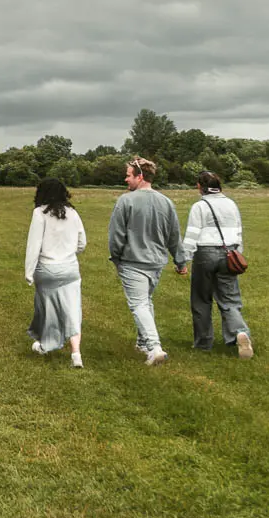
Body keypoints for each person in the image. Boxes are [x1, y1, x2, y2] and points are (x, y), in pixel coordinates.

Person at [108, 156, 187, 366]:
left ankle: (154, 347)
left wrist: (115, 257)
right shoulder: (166, 202)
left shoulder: (125, 201)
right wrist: (181, 261)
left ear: (140, 176)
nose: (126, 180)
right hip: (156, 263)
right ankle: (143, 343)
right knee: (146, 301)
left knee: (139, 304)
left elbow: (116, 235)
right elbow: (174, 236)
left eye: (128, 176)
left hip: (133, 262)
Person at [181, 171, 254, 359]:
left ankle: (203, 343)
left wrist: (183, 258)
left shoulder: (199, 206)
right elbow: (238, 231)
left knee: (201, 300)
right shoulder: (231, 204)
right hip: (229, 253)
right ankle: (239, 332)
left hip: (205, 254)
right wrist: (238, 252)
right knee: (230, 299)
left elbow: (192, 235)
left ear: (200, 186)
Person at [25, 178, 87, 368]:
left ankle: (46, 344)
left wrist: (29, 271)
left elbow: (34, 245)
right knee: (72, 309)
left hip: (47, 269)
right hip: (69, 269)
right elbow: (82, 243)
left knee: (48, 309)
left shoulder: (39, 213)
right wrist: (68, 253)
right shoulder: (73, 213)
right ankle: (76, 353)